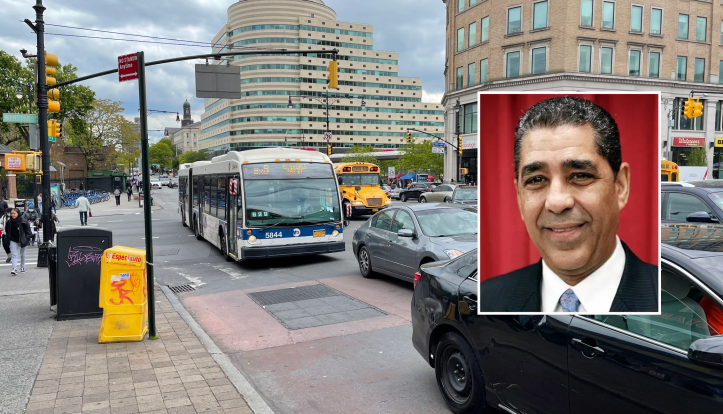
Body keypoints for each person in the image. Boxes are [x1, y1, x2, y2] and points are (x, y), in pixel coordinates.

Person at [479, 96, 658, 314]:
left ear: (620, 186)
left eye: (580, 175)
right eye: (536, 180)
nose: (557, 202)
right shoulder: (488, 300)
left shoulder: (678, 302)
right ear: (519, 197)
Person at [7, 209, 31, 275]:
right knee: (14, 254)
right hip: (13, 239)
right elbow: (7, 231)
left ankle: (22, 267)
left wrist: (26, 239)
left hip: (23, 240)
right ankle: (14, 268)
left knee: (23, 255)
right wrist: (8, 238)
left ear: (18, 213)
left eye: (14, 213)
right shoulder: (9, 222)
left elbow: (28, 231)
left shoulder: (23, 221)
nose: (12, 215)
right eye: (11, 213)